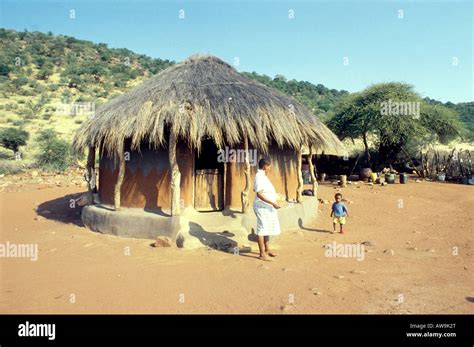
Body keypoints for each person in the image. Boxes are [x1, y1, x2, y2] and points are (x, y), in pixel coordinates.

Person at [253, 158, 281, 261]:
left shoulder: (262, 176)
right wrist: (272, 202)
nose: (270, 168)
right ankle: (262, 254)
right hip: (261, 207)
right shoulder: (259, 177)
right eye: (269, 166)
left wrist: (274, 197)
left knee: (267, 228)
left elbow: (257, 189)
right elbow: (259, 193)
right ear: (265, 166)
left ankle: (267, 250)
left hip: (266, 206)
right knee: (262, 229)